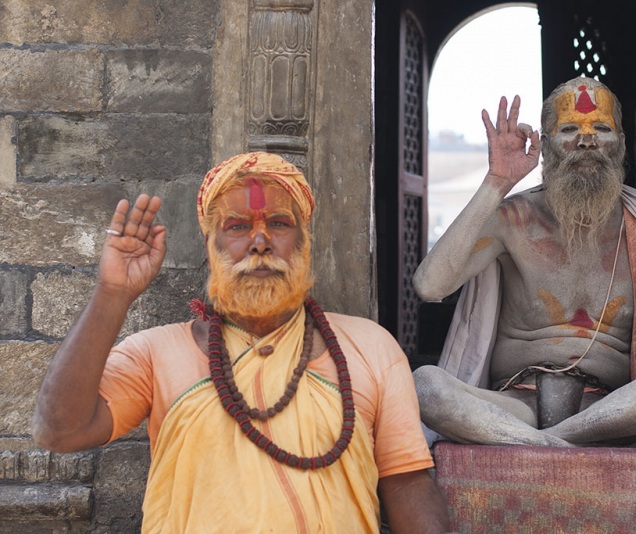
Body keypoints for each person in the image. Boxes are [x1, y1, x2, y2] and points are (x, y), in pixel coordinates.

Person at [32, 152, 450, 533]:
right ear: (210, 247)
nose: (260, 241)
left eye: (279, 224)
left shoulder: (370, 347)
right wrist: (113, 292)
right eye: (237, 226)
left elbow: (407, 481)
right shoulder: (155, 353)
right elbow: (59, 432)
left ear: (304, 242)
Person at [413, 77, 636, 453]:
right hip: (516, 406)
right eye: (568, 129)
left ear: (621, 143)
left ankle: (546, 445)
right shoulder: (513, 219)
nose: (587, 139)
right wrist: (497, 182)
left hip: (609, 411)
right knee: (426, 385)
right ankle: (573, 447)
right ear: (546, 145)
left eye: (601, 128)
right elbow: (430, 286)